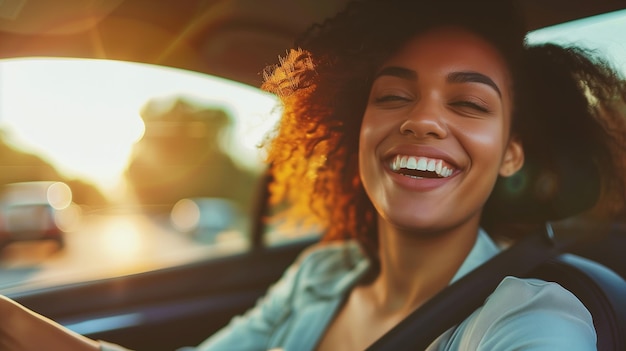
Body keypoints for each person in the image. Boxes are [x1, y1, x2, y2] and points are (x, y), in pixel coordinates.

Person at [1, 0, 625, 350]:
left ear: (512, 152)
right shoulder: (319, 275)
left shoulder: (531, 323)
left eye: (468, 103)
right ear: (357, 131)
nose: (423, 121)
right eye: (392, 97)